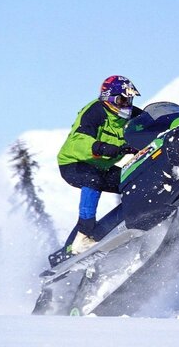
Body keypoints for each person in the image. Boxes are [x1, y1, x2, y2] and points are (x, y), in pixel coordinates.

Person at [57, 75, 141, 254]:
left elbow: (150, 125)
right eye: (122, 100)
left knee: (134, 183)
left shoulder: (131, 116)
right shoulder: (95, 112)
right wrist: (100, 147)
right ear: (109, 98)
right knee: (93, 179)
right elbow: (77, 141)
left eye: (129, 100)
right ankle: (83, 236)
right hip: (74, 163)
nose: (127, 105)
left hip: (102, 167)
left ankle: (110, 230)